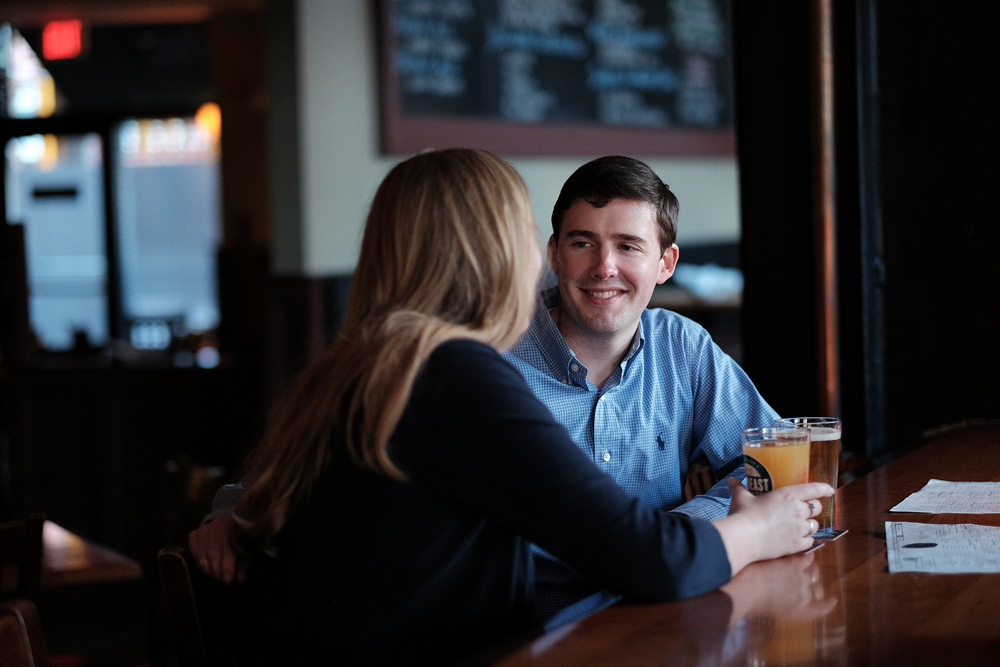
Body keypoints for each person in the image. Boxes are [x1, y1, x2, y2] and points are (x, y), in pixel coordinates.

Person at [196, 149, 831, 666]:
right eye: (536, 234)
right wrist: (758, 530)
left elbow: (286, 499)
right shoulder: (456, 375)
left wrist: (241, 515)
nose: (546, 257)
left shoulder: (365, 363)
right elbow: (653, 559)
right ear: (498, 250)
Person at [505, 156, 778, 615]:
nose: (604, 267)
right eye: (582, 242)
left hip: (668, 610)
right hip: (540, 635)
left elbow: (769, 461)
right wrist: (666, 546)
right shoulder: (498, 363)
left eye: (628, 246)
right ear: (554, 254)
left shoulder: (682, 345)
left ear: (665, 263)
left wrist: (674, 536)